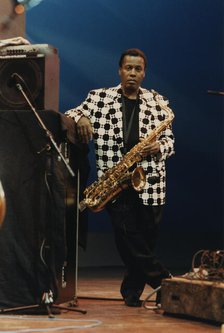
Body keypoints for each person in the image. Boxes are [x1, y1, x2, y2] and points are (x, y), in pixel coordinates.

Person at [65, 48, 175, 307]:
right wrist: (81, 117)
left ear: (144, 73)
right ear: (120, 70)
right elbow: (69, 114)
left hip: (150, 182)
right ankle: (165, 282)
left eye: (138, 69)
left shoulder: (157, 101)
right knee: (127, 238)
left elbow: (170, 141)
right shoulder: (99, 97)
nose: (133, 74)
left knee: (144, 241)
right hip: (115, 181)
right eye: (128, 68)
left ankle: (132, 292)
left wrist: (159, 147)